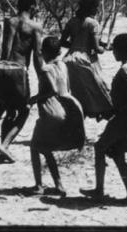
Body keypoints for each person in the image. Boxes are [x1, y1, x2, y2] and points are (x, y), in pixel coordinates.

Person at [80, 33, 127, 205]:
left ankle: (100, 190)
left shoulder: (126, 69)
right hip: (125, 116)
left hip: (126, 118)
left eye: (115, 48)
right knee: (117, 155)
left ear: (121, 50)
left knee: (100, 148)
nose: (113, 51)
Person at [28, 36, 85, 197]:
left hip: (51, 110)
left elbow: (51, 90)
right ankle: (58, 185)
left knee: (35, 148)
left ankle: (39, 185)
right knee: (45, 148)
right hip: (66, 108)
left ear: (44, 52)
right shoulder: (63, 65)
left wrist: (33, 99)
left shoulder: (47, 69)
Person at [0, 0, 43, 163]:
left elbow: (5, 50)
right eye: (35, 7)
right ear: (31, 7)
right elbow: (37, 55)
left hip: (3, 68)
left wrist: (0, 74)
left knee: (9, 111)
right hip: (19, 71)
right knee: (24, 110)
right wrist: (42, 76)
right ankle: (5, 146)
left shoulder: (10, 22)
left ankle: (2, 152)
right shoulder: (35, 26)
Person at [60, 0, 113, 120]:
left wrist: (74, 46)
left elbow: (62, 41)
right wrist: (104, 48)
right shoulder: (93, 23)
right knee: (100, 90)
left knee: (78, 92)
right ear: (91, 8)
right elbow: (96, 48)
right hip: (85, 60)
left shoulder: (72, 21)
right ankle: (102, 112)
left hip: (68, 59)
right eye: (95, 7)